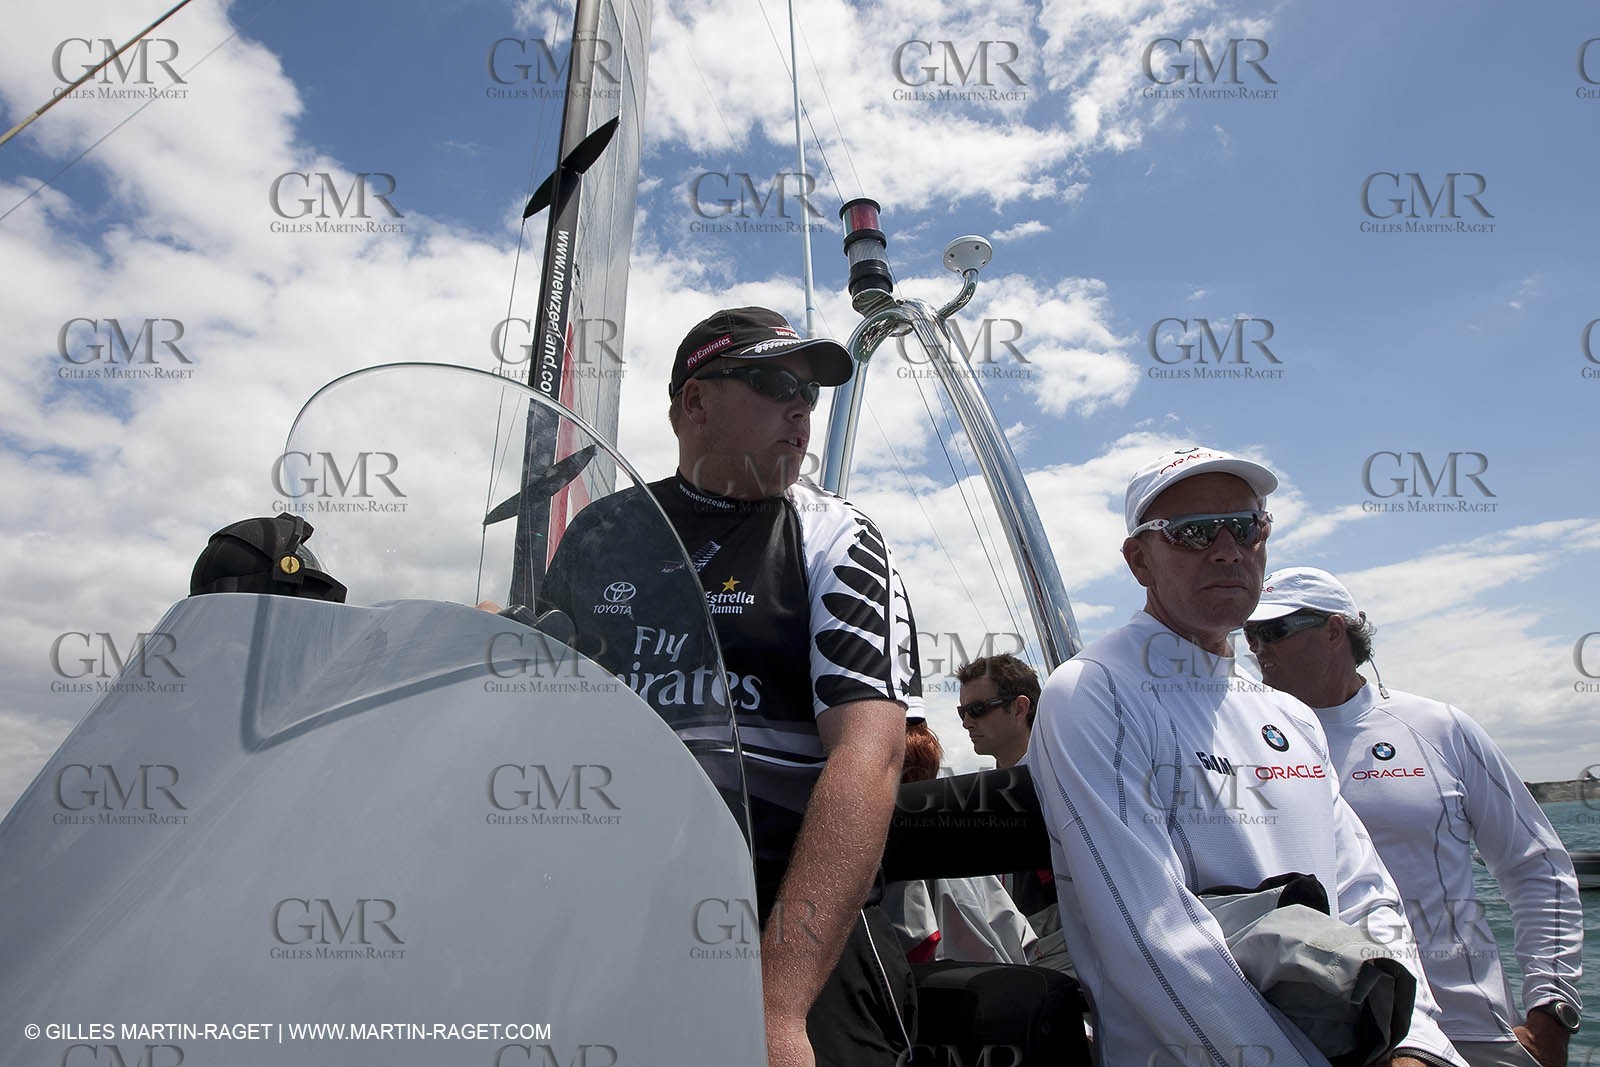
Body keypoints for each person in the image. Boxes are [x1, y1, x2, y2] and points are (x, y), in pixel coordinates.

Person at [544, 307, 924, 1067]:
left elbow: (869, 755)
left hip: (787, 891)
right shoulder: (603, 532)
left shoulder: (836, 535)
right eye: (773, 380)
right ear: (695, 403)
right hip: (618, 889)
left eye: (810, 393)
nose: (800, 406)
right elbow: (545, 719)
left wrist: (777, 1004)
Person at [1021, 444, 1466, 1067]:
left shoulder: (1290, 716)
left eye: (1247, 527)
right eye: (1194, 533)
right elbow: (1152, 937)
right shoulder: (1094, 693)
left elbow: (1366, 893)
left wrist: (1416, 1042)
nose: (1227, 549)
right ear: (1138, 560)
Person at [1246, 566, 1584, 1067]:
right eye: (1251, 635)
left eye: (1273, 632)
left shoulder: (1438, 728)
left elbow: (1536, 866)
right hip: (1311, 1038)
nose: (1258, 649)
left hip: (1468, 1031)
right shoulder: (1243, 745)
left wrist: (1551, 1011)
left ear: (1335, 631)